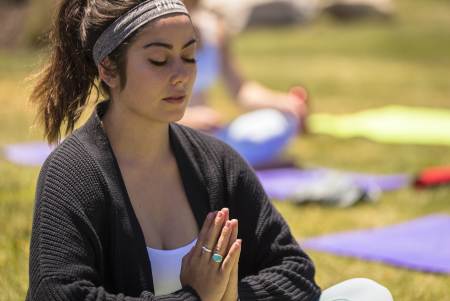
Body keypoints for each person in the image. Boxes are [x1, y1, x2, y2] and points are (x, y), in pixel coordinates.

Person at [26, 1, 393, 300]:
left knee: (366, 293)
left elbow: (296, 271)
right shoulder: (72, 173)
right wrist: (196, 298)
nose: (181, 74)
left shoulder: (218, 162)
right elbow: (56, 294)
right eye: (159, 59)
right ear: (107, 68)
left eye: (189, 56)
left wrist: (227, 297)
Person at [177, 0, 309, 133]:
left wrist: (282, 103)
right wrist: (187, 119)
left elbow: (241, 89)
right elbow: (155, 110)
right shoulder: (157, 31)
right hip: (167, 135)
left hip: (207, 133)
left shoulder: (213, 29)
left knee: (278, 121)